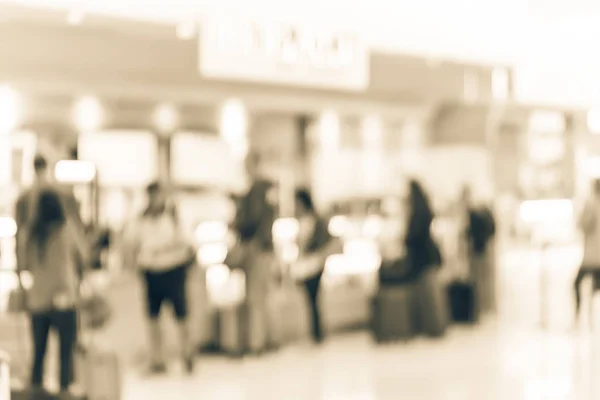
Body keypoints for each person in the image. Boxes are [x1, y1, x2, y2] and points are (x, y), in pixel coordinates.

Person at [18, 188, 89, 398]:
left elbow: (23, 265)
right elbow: (82, 258)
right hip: (64, 299)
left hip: (38, 299)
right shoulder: (67, 229)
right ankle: (64, 390)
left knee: (39, 351)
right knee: (65, 352)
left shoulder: (29, 234)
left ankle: (36, 391)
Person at [122, 182, 196, 374]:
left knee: (181, 315)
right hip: (151, 272)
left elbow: (188, 243)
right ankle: (157, 359)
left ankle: (187, 354)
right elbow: (131, 243)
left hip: (173, 270)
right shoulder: (141, 219)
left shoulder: (173, 216)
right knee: (153, 318)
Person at [231, 153, 277, 354]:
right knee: (262, 297)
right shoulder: (265, 190)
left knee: (256, 298)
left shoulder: (258, 190)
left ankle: (257, 343)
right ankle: (266, 339)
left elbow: (254, 221)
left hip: (258, 249)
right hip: (263, 248)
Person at [15, 154, 84, 273]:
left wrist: (19, 266)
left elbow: (20, 232)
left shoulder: (24, 198)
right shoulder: (61, 195)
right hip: (61, 261)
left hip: (38, 258)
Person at [291, 189, 339, 344]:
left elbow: (315, 243)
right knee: (311, 301)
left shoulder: (314, 221)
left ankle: (316, 333)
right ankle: (315, 333)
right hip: (307, 265)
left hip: (313, 264)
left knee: (313, 300)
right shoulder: (305, 221)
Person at [574, 179, 600, 325]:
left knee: (576, 284)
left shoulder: (591, 204)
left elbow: (583, 224)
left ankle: (577, 315)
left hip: (591, 258)